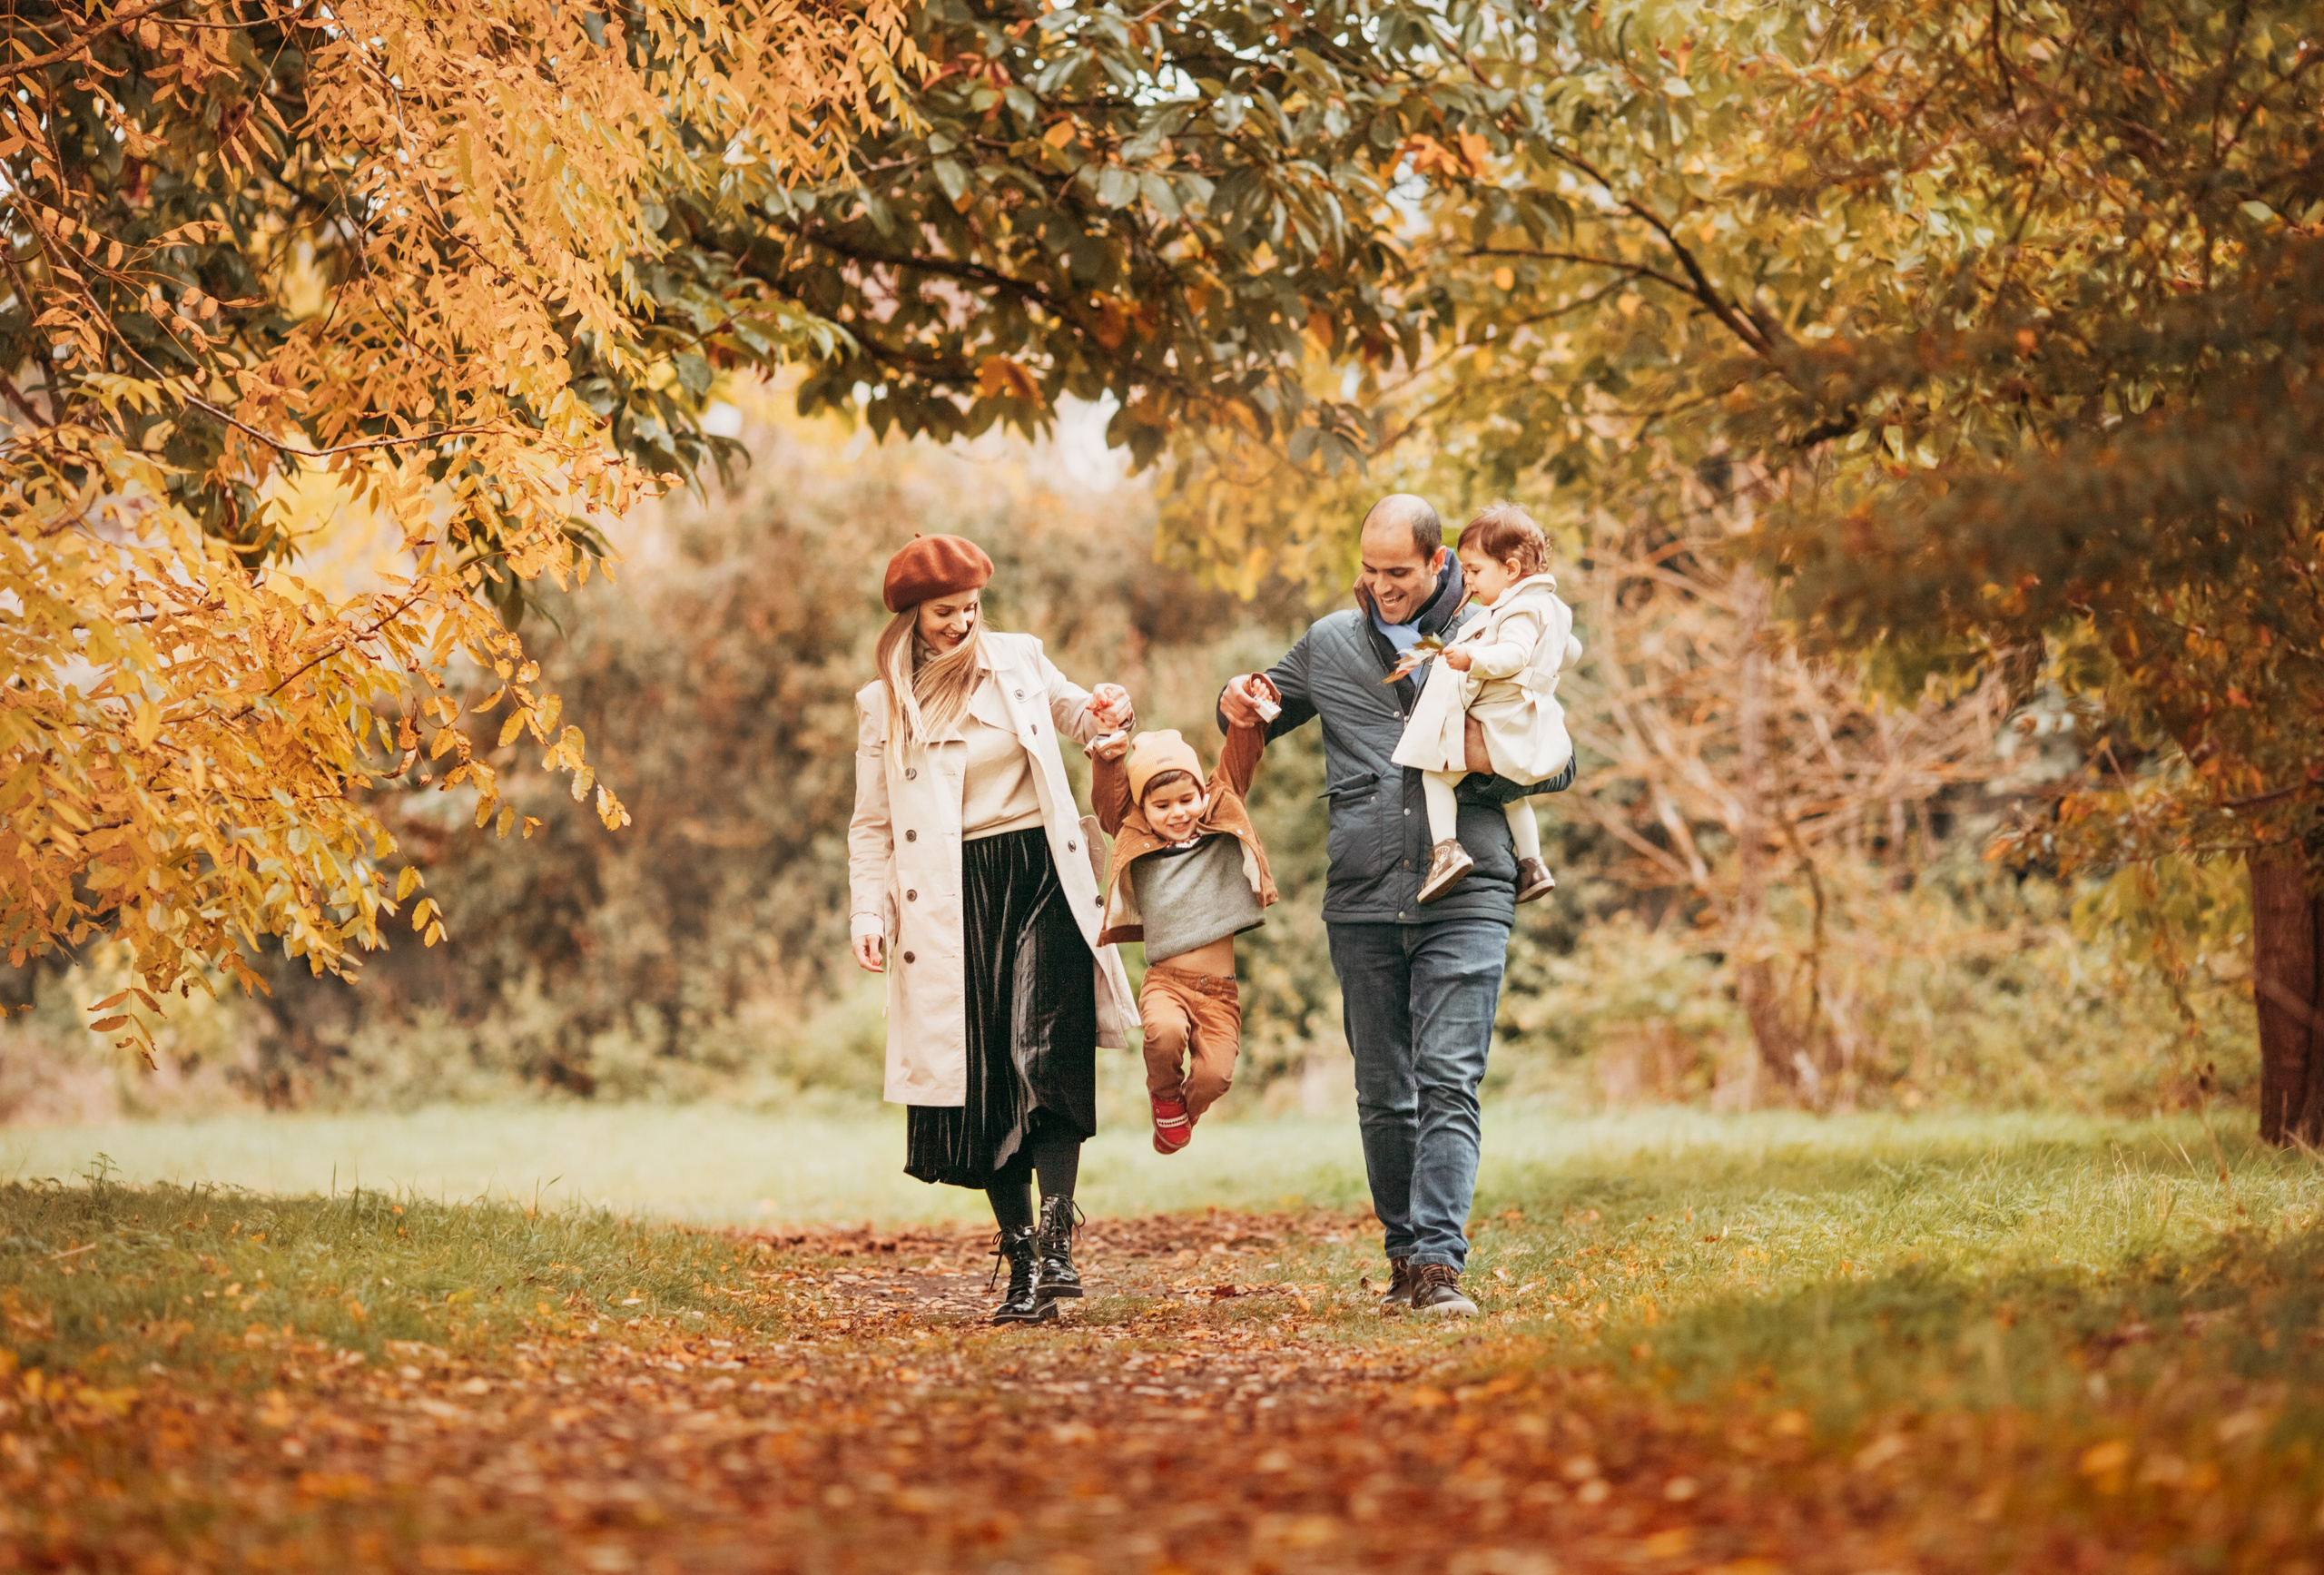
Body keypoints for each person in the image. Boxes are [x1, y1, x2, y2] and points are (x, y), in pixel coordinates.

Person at [1217, 495, 1570, 1317]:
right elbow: (1257, 713)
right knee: (1384, 1090)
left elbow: (1558, 762)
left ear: (1440, 561)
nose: (1381, 587)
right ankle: (1405, 1257)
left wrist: (1486, 761)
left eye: (1399, 573)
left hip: (1471, 883)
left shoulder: (1493, 629)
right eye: (1370, 572)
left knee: (1449, 1077)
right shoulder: (1332, 644)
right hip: (1365, 893)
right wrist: (1238, 700)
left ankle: (1441, 1263)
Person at [847, 534, 1137, 1324]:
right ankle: (1019, 1262)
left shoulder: (1017, 659)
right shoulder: (884, 703)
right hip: (948, 896)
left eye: (971, 608)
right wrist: (867, 909)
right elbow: (871, 823)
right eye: (946, 612)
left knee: (1046, 1051)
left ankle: (1057, 1243)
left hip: (1041, 871)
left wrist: (1108, 713)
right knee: (979, 1083)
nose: (962, 623)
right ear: (912, 615)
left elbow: (1078, 712)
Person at [1088, 707, 1279, 1154]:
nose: (1177, 813)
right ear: (1143, 808)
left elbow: (1239, 757)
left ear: (1201, 793)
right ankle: (1165, 1097)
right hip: (1166, 983)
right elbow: (1108, 799)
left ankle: (1179, 1115)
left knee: (1217, 1076)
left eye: (1186, 800)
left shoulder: (1221, 815)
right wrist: (1108, 753)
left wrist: (1247, 716)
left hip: (1220, 991)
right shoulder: (1134, 833)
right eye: (1162, 805)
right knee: (1164, 1033)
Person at [1390, 503, 1581, 905]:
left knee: (1435, 776)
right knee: (1513, 794)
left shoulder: (1519, 608)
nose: (1469, 583)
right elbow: (1571, 652)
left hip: (1502, 716)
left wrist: (1473, 659)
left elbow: (1512, 654)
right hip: (1531, 718)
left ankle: (1446, 850)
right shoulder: (1553, 608)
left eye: (1475, 571)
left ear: (1511, 569)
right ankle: (1532, 864)